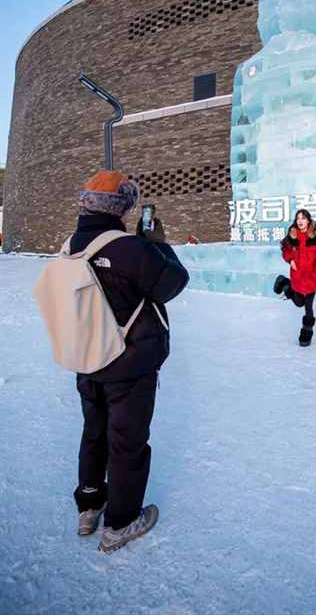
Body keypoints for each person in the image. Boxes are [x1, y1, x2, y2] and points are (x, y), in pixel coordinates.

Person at [70, 171, 189, 553]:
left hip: (87, 357)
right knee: (127, 442)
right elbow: (173, 283)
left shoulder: (71, 243)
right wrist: (158, 244)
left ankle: (89, 505)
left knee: (94, 431)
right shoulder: (129, 248)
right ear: (121, 207)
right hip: (129, 363)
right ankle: (120, 523)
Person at [273, 209, 316, 347]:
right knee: (299, 303)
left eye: (303, 218)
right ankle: (286, 283)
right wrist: (290, 260)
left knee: (308, 307)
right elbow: (284, 249)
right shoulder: (292, 236)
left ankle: (306, 333)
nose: (300, 221)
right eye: (298, 218)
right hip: (297, 277)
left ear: (308, 220)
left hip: (311, 279)